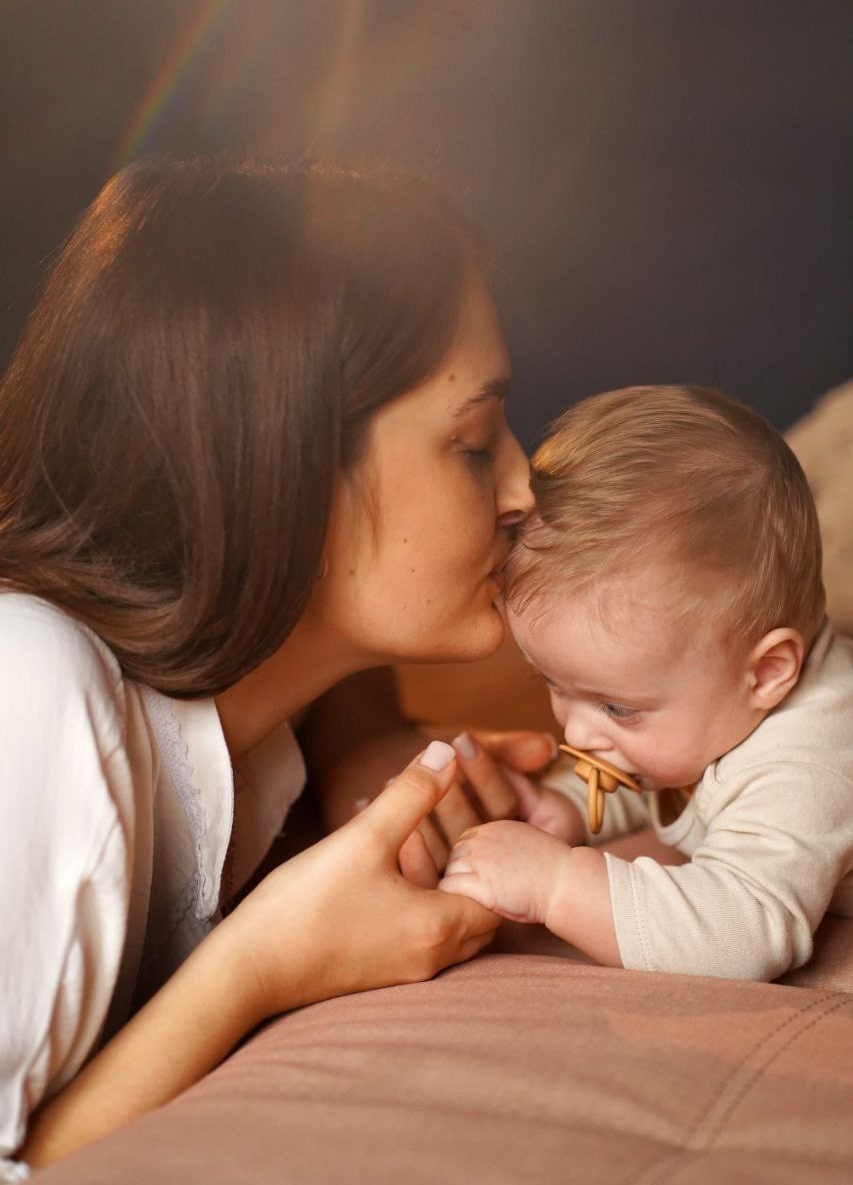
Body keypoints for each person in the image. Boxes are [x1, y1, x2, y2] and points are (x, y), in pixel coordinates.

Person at [0, 154, 552, 1177]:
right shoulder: (29, 689)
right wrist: (258, 964)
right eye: (474, 442)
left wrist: (367, 750)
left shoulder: (253, 716)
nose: (525, 486)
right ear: (284, 465)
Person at [440, 385, 853, 981]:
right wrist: (569, 805)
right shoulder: (713, 704)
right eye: (551, 683)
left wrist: (559, 883)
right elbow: (662, 770)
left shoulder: (803, 769)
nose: (575, 729)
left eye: (617, 707)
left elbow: (743, 934)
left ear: (765, 674)